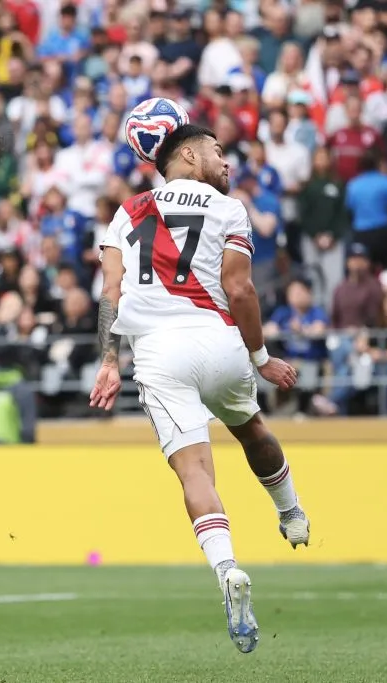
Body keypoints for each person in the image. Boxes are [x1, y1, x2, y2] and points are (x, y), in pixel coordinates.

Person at [89, 124, 309, 654]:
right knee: (252, 428)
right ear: (187, 153)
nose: (226, 162)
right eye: (218, 151)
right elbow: (240, 287)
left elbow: (110, 292)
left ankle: (228, 568)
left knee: (195, 471)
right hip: (221, 342)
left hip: (161, 355)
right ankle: (291, 512)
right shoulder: (229, 209)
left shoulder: (127, 211)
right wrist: (261, 358)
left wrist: (108, 359)